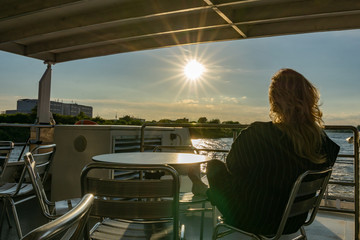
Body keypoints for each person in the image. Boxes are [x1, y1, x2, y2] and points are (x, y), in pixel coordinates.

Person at [189, 68, 340, 235]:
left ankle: (205, 191)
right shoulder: (325, 144)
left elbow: (232, 167)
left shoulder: (258, 134)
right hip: (293, 221)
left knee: (214, 165)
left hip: (253, 219)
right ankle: (205, 191)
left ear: (274, 100)